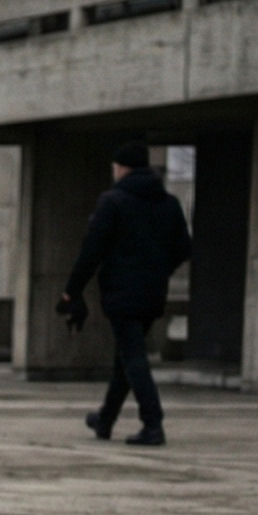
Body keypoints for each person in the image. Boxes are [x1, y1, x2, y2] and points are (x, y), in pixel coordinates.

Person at [63, 140, 190, 448]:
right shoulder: (169, 203)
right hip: (152, 293)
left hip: (122, 292)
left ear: (120, 168)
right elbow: (184, 248)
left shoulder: (113, 201)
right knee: (127, 356)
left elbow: (91, 250)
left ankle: (153, 423)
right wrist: (160, 270)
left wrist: (72, 290)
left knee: (133, 356)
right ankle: (105, 418)